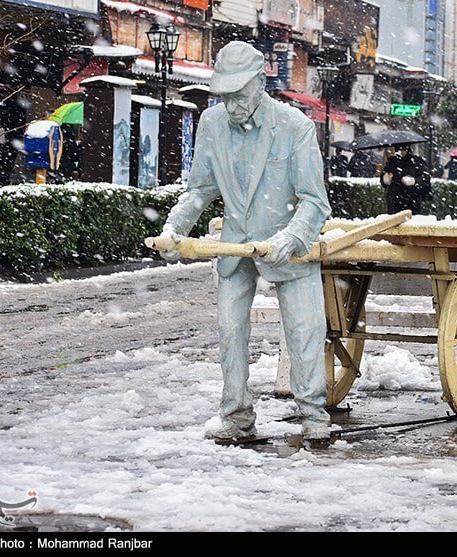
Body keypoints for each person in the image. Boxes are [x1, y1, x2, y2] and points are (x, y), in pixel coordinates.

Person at [157, 41, 332, 444]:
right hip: (234, 246)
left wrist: (292, 236)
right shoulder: (211, 124)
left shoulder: (294, 126)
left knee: (304, 329)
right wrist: (175, 230)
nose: (232, 104)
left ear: (259, 82)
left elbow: (313, 201)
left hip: (289, 245)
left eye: (239, 93)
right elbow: (199, 189)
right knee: (229, 330)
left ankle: (313, 414)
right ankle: (236, 415)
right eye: (225, 95)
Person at [380, 143, 432, 214]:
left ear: (407, 150)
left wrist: (413, 181)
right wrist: (385, 179)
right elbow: (384, 178)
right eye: (398, 150)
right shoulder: (392, 162)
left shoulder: (416, 162)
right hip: (394, 199)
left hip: (412, 198)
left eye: (403, 150)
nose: (401, 152)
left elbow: (425, 177)